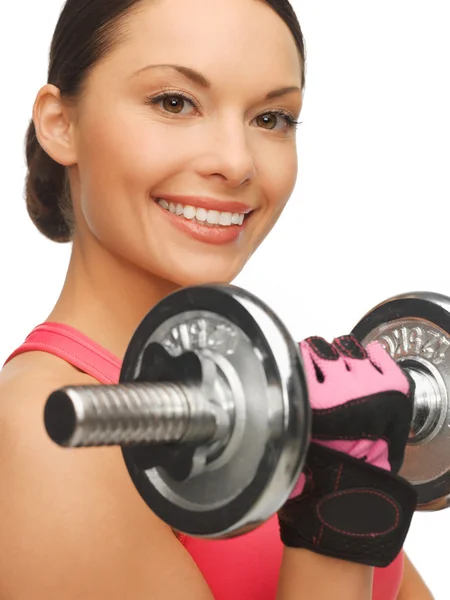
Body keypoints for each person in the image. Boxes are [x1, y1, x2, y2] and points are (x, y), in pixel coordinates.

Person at [0, 0, 434, 598]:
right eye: (174, 103)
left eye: (272, 118)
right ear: (60, 124)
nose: (236, 163)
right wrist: (337, 520)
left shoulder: (282, 402)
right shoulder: (45, 435)